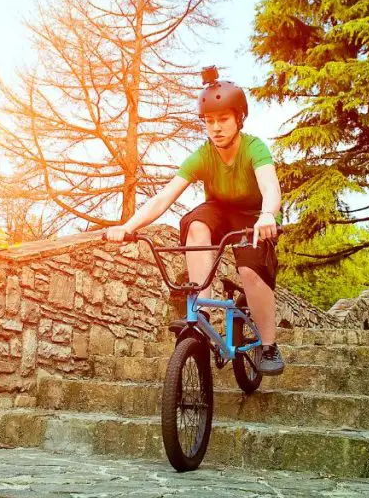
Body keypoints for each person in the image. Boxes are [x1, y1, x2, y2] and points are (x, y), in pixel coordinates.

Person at [105, 67, 285, 375]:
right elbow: (164, 197)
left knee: (250, 270)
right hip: (219, 210)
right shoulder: (203, 155)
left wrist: (268, 215)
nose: (215, 128)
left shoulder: (254, 147)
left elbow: (270, 186)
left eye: (223, 119)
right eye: (209, 121)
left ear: (239, 118)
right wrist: (128, 226)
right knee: (196, 224)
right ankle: (201, 313)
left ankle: (268, 345)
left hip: (255, 217)